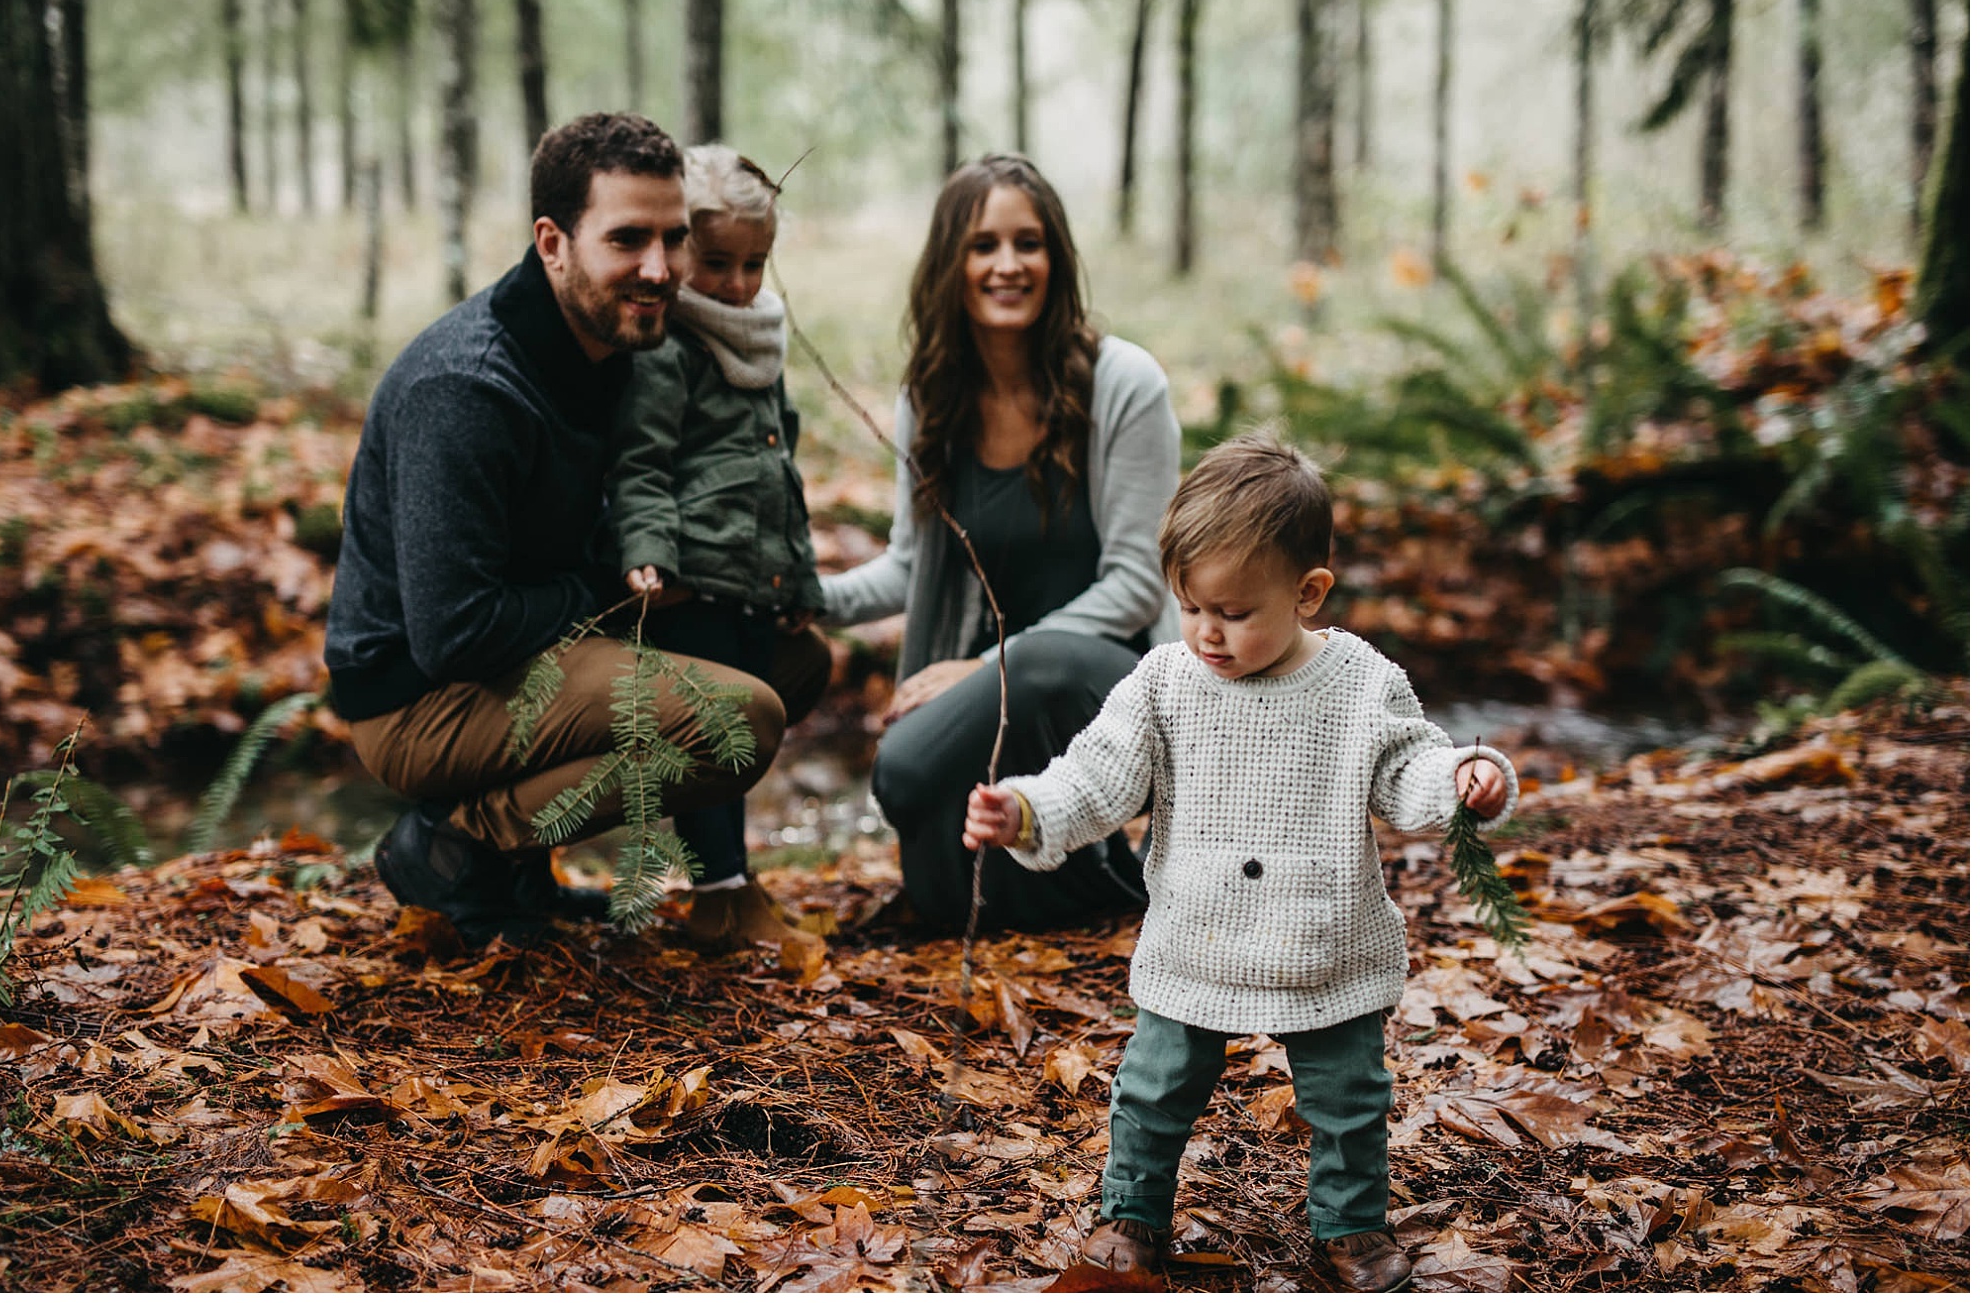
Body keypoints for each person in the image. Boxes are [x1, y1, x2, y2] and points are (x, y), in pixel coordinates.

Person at [962, 434, 1519, 1291]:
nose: (1207, 633)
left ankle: (1352, 1224)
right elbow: (1099, 775)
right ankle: (1132, 1214)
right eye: (1190, 606)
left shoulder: (1359, 682)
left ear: (1308, 593)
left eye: (1233, 611)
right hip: (1197, 936)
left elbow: (1407, 767)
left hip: (1323, 935)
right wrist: (1030, 808)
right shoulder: (1164, 682)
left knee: (1349, 1098)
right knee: (1152, 1090)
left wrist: (1461, 779)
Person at [323, 112, 830, 947]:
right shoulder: (467, 390)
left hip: (536, 641)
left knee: (789, 661)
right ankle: (460, 845)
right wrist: (607, 587)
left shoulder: (621, 346)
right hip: (419, 696)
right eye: (628, 239)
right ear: (553, 241)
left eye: (675, 239)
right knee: (740, 718)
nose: (661, 269)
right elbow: (455, 633)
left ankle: (520, 869)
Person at [818, 153, 1182, 933]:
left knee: (985, 706)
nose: (1008, 265)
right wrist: (804, 598)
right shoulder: (931, 397)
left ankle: (1100, 870)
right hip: (989, 691)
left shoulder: (1124, 384)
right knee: (927, 832)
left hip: (1108, 681)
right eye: (984, 245)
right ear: (952, 262)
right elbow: (910, 566)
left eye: (1029, 243)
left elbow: (1135, 586)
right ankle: (1095, 890)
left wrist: (980, 667)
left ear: (1057, 258)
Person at [605, 143, 825, 949]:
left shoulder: (759, 342)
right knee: (711, 724)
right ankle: (720, 891)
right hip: (691, 579)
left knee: (742, 731)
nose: (736, 283)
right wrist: (649, 553)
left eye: (754, 263)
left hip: (749, 579)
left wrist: (796, 580)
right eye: (717, 260)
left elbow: (780, 473)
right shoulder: (668, 349)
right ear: (681, 249)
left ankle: (731, 889)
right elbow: (642, 462)